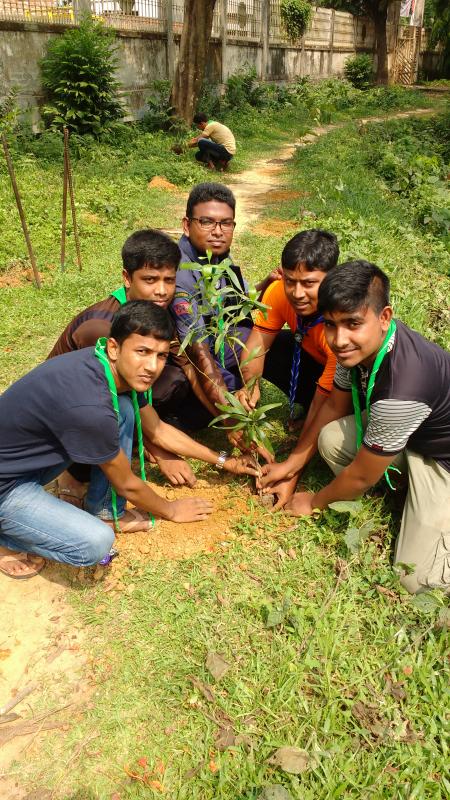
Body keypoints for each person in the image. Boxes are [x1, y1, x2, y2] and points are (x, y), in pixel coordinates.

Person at [0, 301, 257, 579]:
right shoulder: (90, 405)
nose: (152, 366)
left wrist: (224, 460)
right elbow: (127, 484)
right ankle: (7, 539)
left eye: (160, 355)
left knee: (123, 409)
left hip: (23, 464)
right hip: (6, 485)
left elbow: (157, 429)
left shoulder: (105, 367)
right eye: (142, 352)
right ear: (114, 347)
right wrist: (170, 509)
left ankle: (105, 510)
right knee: (94, 544)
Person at [260, 260, 450, 595]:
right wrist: (291, 465)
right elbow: (335, 404)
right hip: (416, 439)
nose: (339, 339)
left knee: (415, 579)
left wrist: (314, 501)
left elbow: (361, 475)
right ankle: (407, 495)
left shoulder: (403, 389)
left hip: (441, 462)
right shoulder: (362, 350)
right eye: (331, 325)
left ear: (384, 317)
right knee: (331, 438)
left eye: (352, 324)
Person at [48, 228, 211, 503]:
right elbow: (106, 402)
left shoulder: (158, 310)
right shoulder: (102, 328)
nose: (161, 291)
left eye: (168, 280)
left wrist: (229, 429)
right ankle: (77, 477)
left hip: (107, 399)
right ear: (127, 278)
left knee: (174, 385)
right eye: (149, 280)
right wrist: (161, 453)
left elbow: (188, 364)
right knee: (122, 409)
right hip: (66, 415)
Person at [236, 229, 339, 507]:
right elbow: (256, 346)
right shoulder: (279, 292)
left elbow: (326, 402)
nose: (297, 293)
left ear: (331, 278)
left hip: (348, 386)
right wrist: (250, 385)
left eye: (309, 283)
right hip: (314, 365)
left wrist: (291, 471)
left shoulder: (341, 325)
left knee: (324, 416)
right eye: (291, 281)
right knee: (264, 344)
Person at [171, 182, 278, 435]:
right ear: (187, 225)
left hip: (216, 344)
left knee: (273, 340)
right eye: (207, 222)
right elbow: (197, 352)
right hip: (185, 358)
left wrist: (268, 283)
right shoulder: (180, 272)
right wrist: (232, 405)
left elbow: (239, 300)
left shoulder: (218, 257)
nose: (217, 231)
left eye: (226, 223)